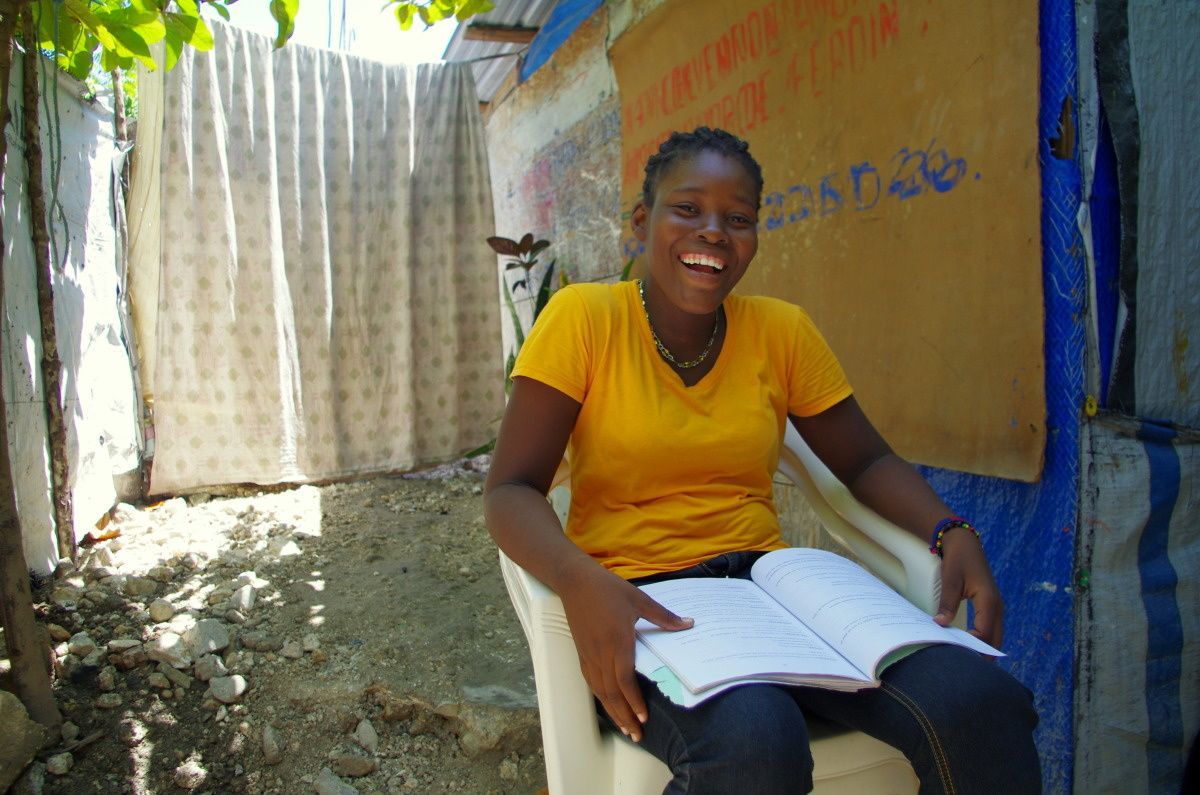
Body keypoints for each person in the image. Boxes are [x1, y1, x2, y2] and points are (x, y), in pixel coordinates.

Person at [484, 127, 1041, 794]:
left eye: (738, 218)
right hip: (643, 596)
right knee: (756, 741)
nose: (714, 231)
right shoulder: (583, 319)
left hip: (777, 590)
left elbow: (862, 461)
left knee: (983, 703)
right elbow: (511, 488)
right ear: (642, 221)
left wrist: (950, 531)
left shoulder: (783, 331)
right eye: (687, 208)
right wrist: (579, 579)